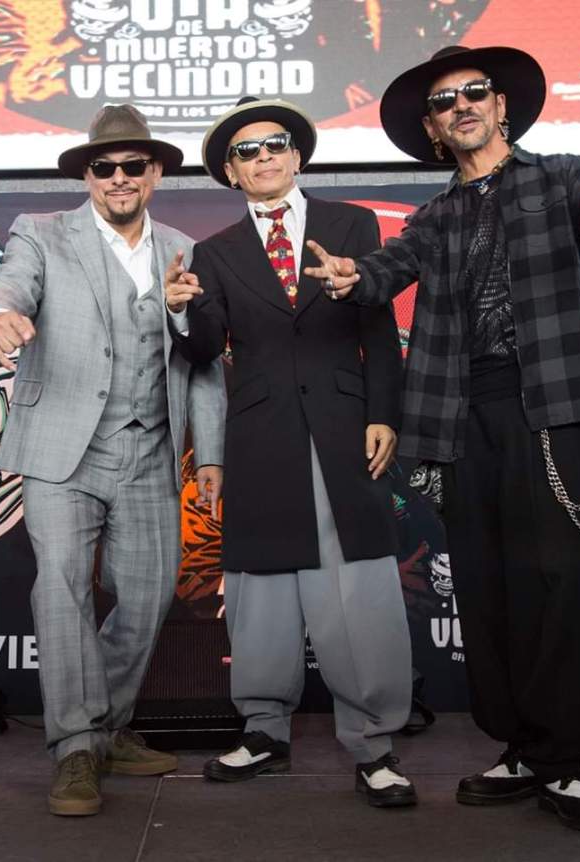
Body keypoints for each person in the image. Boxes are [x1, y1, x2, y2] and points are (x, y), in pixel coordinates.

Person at [305, 45, 580, 832]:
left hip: (553, 407)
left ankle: (565, 763)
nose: (461, 105)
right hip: (460, 416)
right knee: (489, 585)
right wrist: (350, 279)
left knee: (563, 582)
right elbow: (383, 272)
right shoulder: (435, 217)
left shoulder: (560, 177)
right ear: (434, 130)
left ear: (501, 107)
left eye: (475, 92)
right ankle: (518, 749)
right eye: (445, 101)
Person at [0, 104, 226, 817]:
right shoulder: (41, 233)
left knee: (148, 597)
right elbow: (10, 285)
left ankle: (107, 727)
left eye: (132, 165)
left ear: (155, 174)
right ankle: (76, 747)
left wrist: (210, 453)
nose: (118, 177)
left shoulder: (184, 249)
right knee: (61, 591)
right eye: (104, 166)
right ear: (87, 175)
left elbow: (202, 360)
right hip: (63, 448)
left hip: (150, 450)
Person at [165, 97, 417, 807]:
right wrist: (179, 309)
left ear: (297, 156)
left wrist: (383, 413)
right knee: (261, 589)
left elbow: (377, 325)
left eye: (275, 143)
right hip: (260, 434)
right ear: (232, 173)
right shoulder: (214, 253)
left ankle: (374, 743)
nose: (264, 156)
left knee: (357, 582)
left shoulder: (351, 224)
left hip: (343, 426)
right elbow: (205, 348)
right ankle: (263, 730)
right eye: (246, 151)